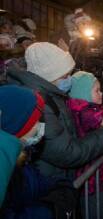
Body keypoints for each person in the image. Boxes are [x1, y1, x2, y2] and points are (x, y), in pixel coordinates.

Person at [6, 42, 103, 179]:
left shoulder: (53, 93)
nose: (69, 80)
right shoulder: (39, 104)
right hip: (50, 184)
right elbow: (67, 153)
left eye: (70, 74)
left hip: (57, 178)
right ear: (48, 76)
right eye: (64, 77)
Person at [0, 85, 73, 218]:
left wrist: (62, 188)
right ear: (20, 126)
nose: (41, 125)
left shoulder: (22, 161)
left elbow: (41, 183)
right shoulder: (5, 170)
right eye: (37, 120)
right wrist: (51, 211)